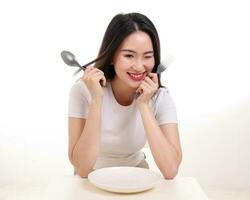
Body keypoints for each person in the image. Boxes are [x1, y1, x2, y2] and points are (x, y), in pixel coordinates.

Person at [68, 12, 182, 179]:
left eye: (148, 56)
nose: (139, 66)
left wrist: (144, 105)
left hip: (137, 175)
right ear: (112, 56)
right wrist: (97, 100)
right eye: (129, 55)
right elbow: (83, 168)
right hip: (92, 177)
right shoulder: (83, 91)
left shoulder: (160, 97)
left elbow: (170, 170)